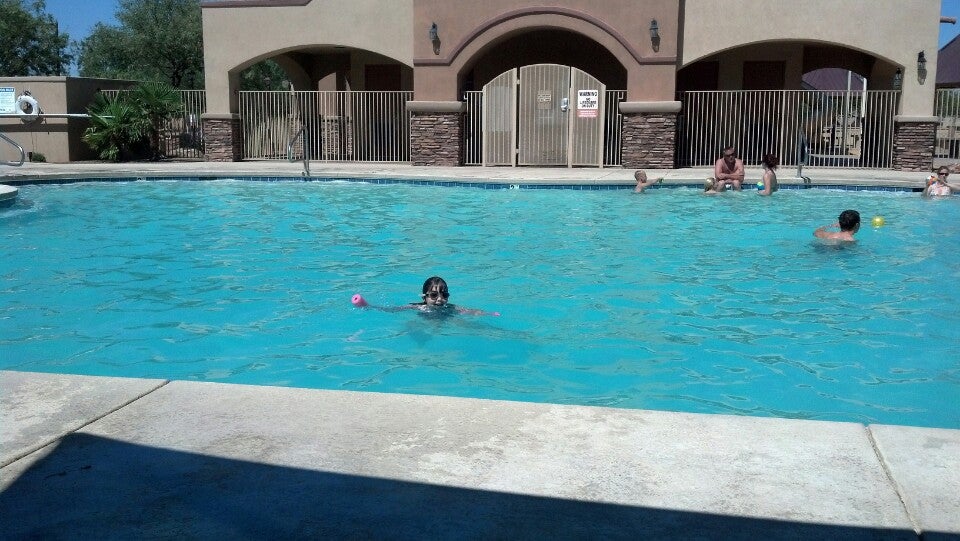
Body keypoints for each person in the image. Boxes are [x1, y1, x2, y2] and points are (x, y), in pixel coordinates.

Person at [352, 276, 499, 316]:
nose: (440, 299)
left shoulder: (450, 308)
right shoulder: (418, 308)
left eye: (444, 294)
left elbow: (469, 311)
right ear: (424, 298)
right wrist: (369, 306)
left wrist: (487, 313)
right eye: (434, 295)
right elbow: (393, 310)